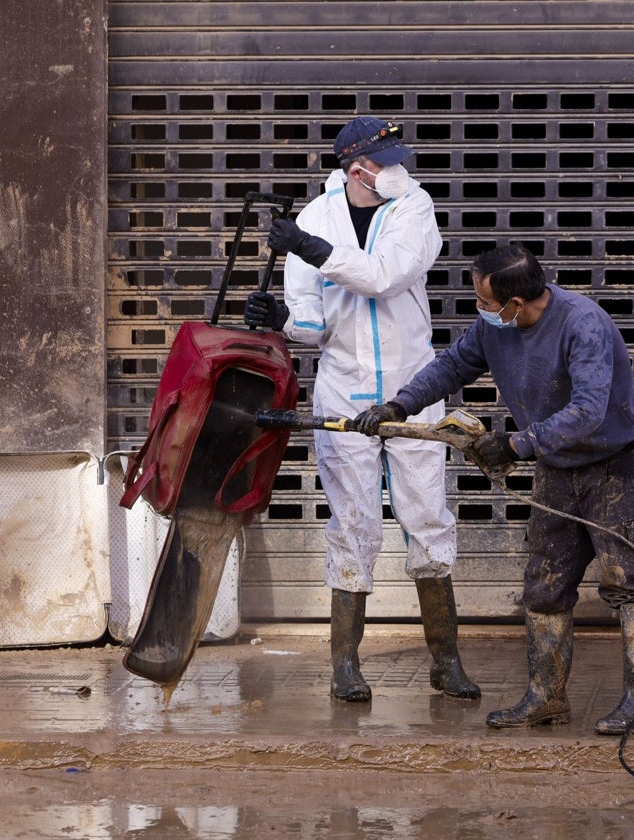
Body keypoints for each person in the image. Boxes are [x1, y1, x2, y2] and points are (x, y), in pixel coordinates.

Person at [354, 243, 634, 735]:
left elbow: (586, 411)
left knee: (630, 583)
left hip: (612, 466)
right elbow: (452, 366)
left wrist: (517, 444)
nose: (480, 309)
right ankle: (546, 697)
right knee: (544, 587)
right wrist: (399, 405)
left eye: (483, 300)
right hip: (557, 469)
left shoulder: (583, 325)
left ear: (515, 304)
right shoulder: (493, 327)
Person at [244, 116, 479, 703]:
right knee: (352, 524)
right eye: (385, 160)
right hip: (343, 390)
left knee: (426, 517)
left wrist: (314, 251)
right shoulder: (313, 219)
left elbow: (384, 279)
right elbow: (312, 324)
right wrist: (281, 322)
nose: (398, 169)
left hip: (413, 388)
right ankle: (345, 665)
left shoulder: (414, 209)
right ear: (357, 168)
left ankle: (444, 661)